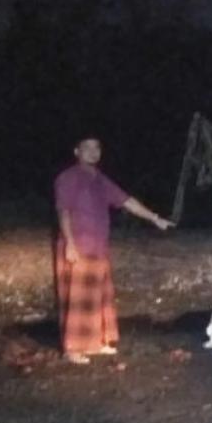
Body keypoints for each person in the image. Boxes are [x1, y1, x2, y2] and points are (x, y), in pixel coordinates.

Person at [53, 137, 174, 364]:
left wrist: (155, 218)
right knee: (79, 298)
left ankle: (95, 343)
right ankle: (72, 349)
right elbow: (64, 211)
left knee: (98, 297)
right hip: (78, 245)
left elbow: (126, 201)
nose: (93, 151)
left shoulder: (100, 180)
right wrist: (69, 242)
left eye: (97, 147)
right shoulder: (68, 177)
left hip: (99, 246)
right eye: (87, 147)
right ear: (77, 151)